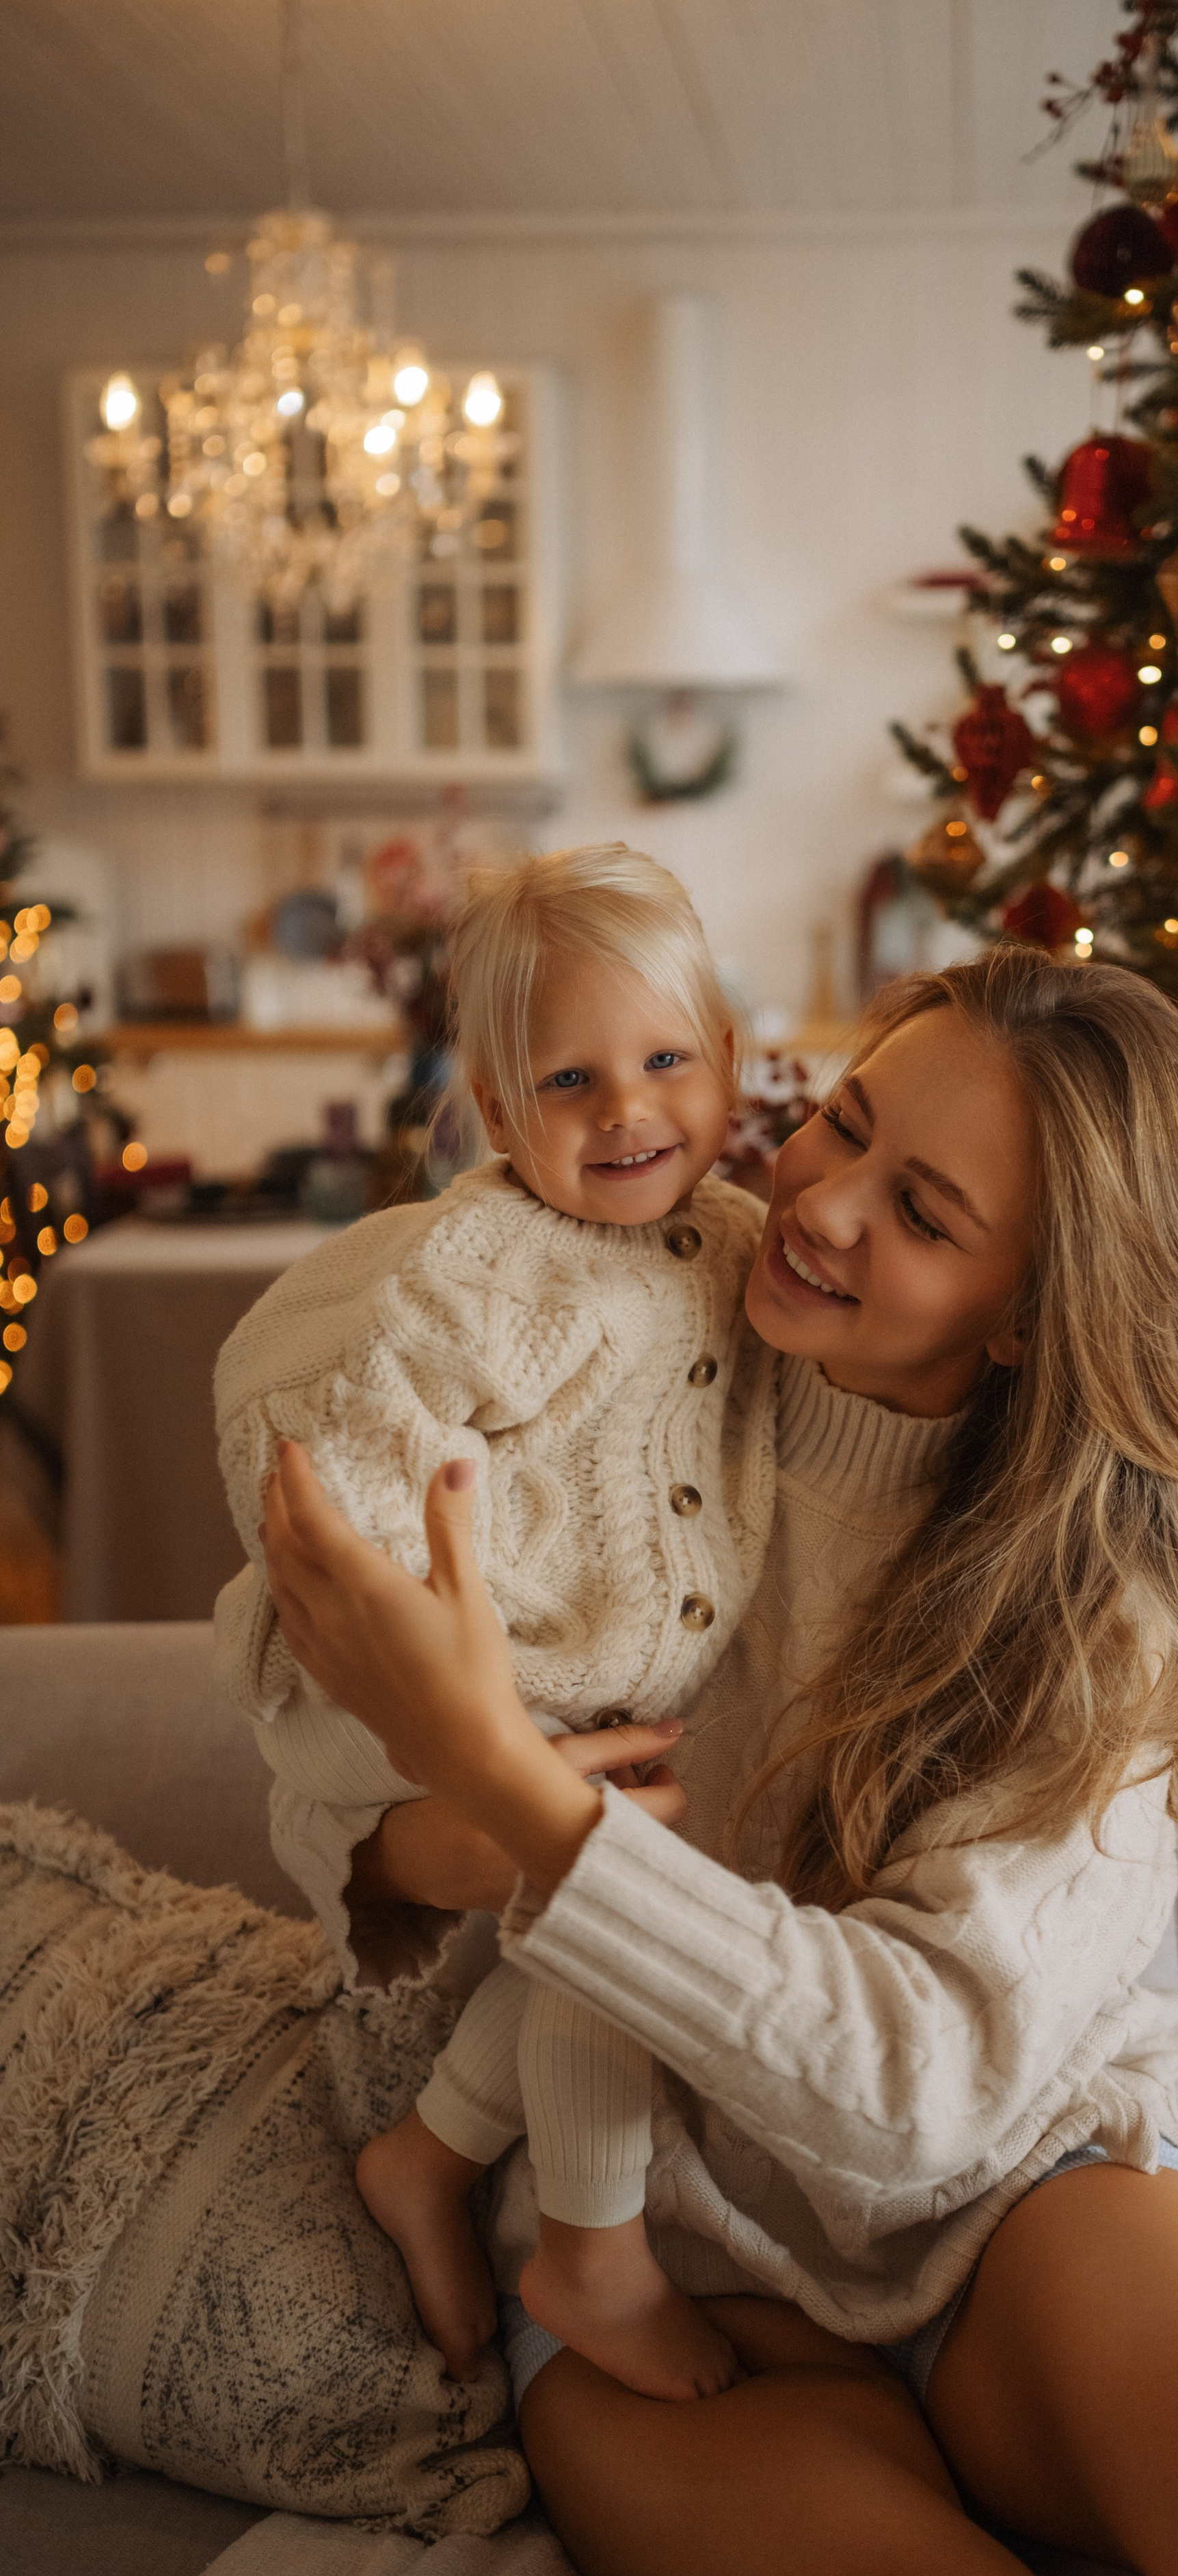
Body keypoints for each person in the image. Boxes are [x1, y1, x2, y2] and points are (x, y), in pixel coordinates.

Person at [260, 948, 1178, 2576]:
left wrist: (517, 1788)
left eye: (922, 1213)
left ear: (1032, 1314)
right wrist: (443, 1823)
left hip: (1027, 2199)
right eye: (840, 1126)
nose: (821, 1205)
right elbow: (329, 1825)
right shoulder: (617, 1354)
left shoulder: (1114, 1599)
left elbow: (927, 2086)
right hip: (656, 2232)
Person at [215, 843, 777, 2401]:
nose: (627, 1112)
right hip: (496, 1678)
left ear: (727, 1060)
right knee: (613, 1911)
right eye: (570, 1078)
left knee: (636, 1899)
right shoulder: (470, 1274)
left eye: (667, 1060)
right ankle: (593, 2256)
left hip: (641, 1703)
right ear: (492, 1097)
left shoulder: (740, 1245)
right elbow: (360, 1460)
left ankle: (426, 2155)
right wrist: (420, 1660)